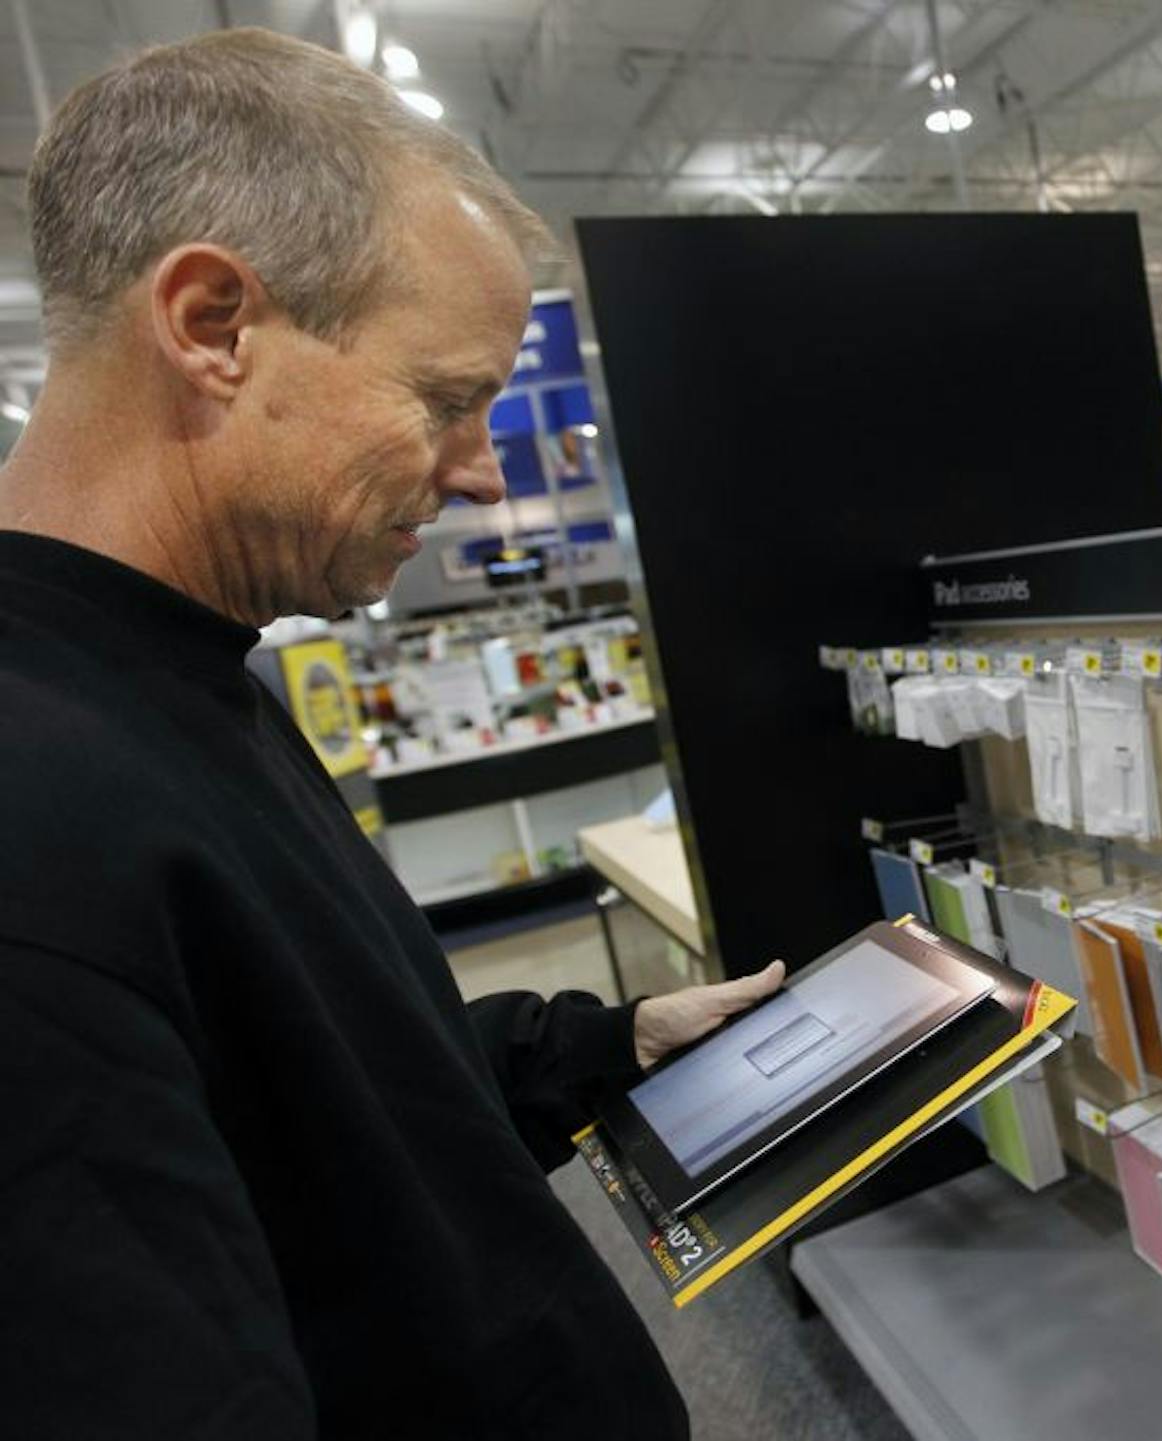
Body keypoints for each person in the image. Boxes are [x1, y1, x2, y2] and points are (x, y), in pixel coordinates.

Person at [0, 29, 786, 1438]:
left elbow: (325, 1105)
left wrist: (604, 1046)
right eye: (447, 400)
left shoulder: (189, 672)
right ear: (212, 325)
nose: (485, 476)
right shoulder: (35, 820)